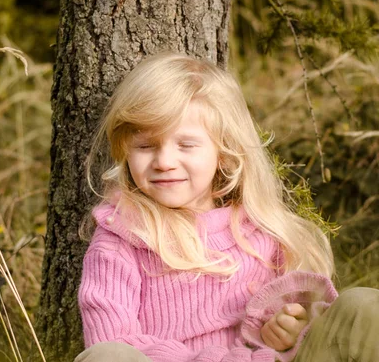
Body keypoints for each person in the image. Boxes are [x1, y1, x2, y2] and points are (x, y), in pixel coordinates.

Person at [75, 52, 379, 362]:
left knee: (365, 308)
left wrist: (290, 333)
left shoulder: (260, 230)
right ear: (125, 150)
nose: (164, 162)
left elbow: (304, 333)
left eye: (186, 144)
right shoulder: (120, 242)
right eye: (146, 145)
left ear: (223, 151)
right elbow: (112, 338)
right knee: (106, 356)